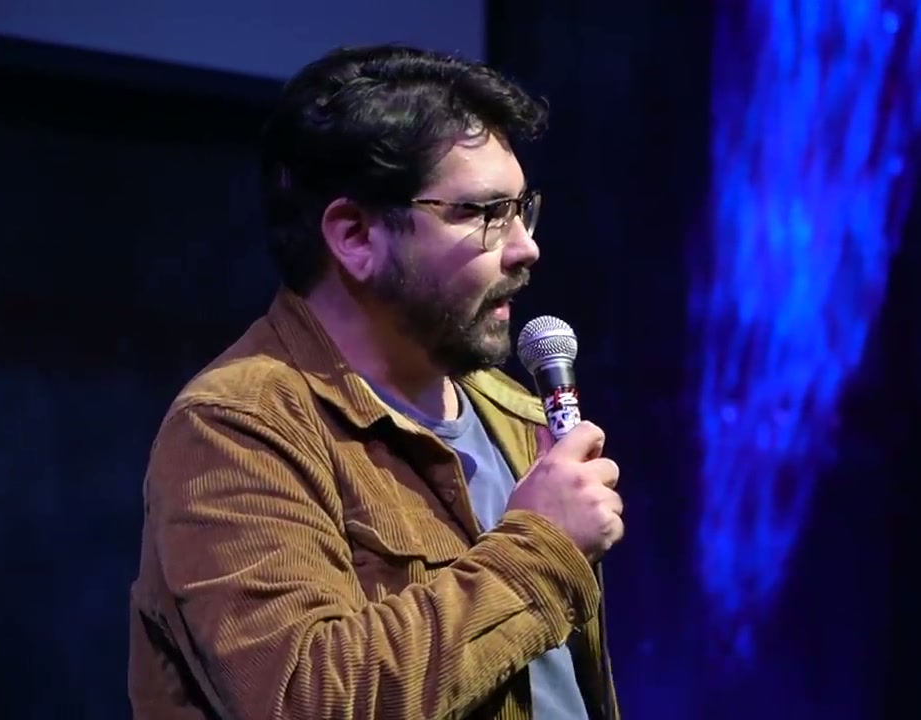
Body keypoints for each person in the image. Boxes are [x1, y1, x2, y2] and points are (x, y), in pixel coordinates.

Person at [127, 44, 624, 720]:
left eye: (521, 210)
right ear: (356, 235)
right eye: (483, 213)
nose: (524, 246)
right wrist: (542, 550)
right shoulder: (236, 427)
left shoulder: (515, 414)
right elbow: (306, 699)